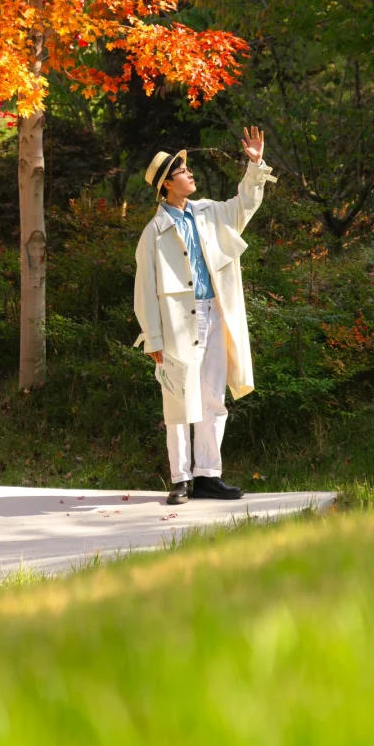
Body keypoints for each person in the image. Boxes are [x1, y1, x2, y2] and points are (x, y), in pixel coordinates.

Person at [133, 129, 275, 505]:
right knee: (178, 399)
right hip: (179, 323)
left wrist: (255, 163)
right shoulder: (153, 234)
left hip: (215, 314)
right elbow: (144, 291)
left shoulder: (210, 212)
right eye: (181, 170)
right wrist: (154, 338)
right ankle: (180, 479)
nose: (189, 173)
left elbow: (245, 204)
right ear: (167, 185)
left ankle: (208, 475)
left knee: (213, 398)